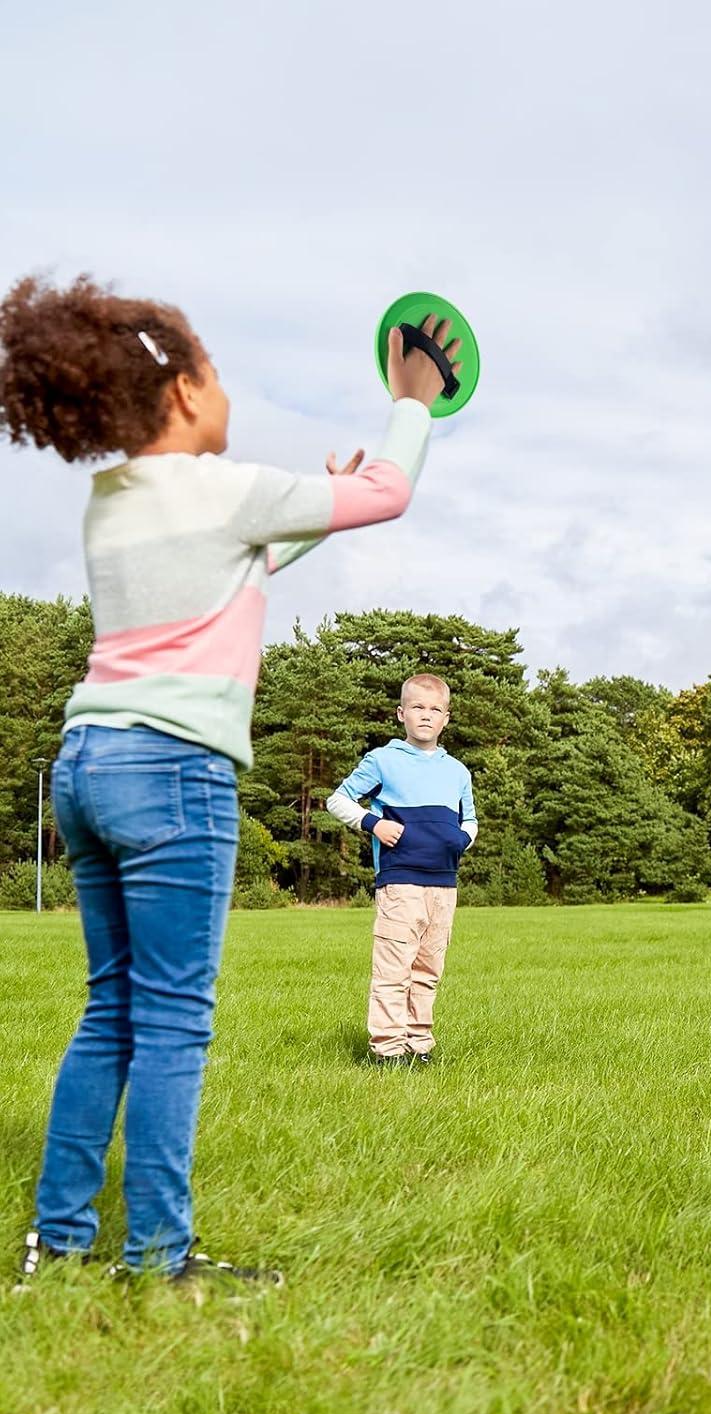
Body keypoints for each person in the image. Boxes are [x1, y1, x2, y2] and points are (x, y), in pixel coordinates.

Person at [1, 273, 459, 1289]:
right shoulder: (228, 488)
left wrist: (301, 520)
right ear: (180, 394)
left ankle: (58, 1240)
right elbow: (386, 494)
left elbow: (224, 577)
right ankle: (159, 1257)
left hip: (88, 768)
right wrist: (414, 401)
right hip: (173, 775)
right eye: (215, 371)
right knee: (171, 1021)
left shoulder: (109, 503)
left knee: (109, 1008)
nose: (226, 392)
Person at [327, 674, 476, 1063]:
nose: (426, 716)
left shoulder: (458, 772)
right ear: (401, 713)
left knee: (428, 970)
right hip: (399, 883)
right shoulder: (382, 760)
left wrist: (461, 841)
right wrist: (373, 824)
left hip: (444, 886)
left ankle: (418, 1044)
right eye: (417, 708)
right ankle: (388, 1049)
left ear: (446, 718)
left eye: (435, 710)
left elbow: (470, 822)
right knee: (394, 968)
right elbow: (337, 800)